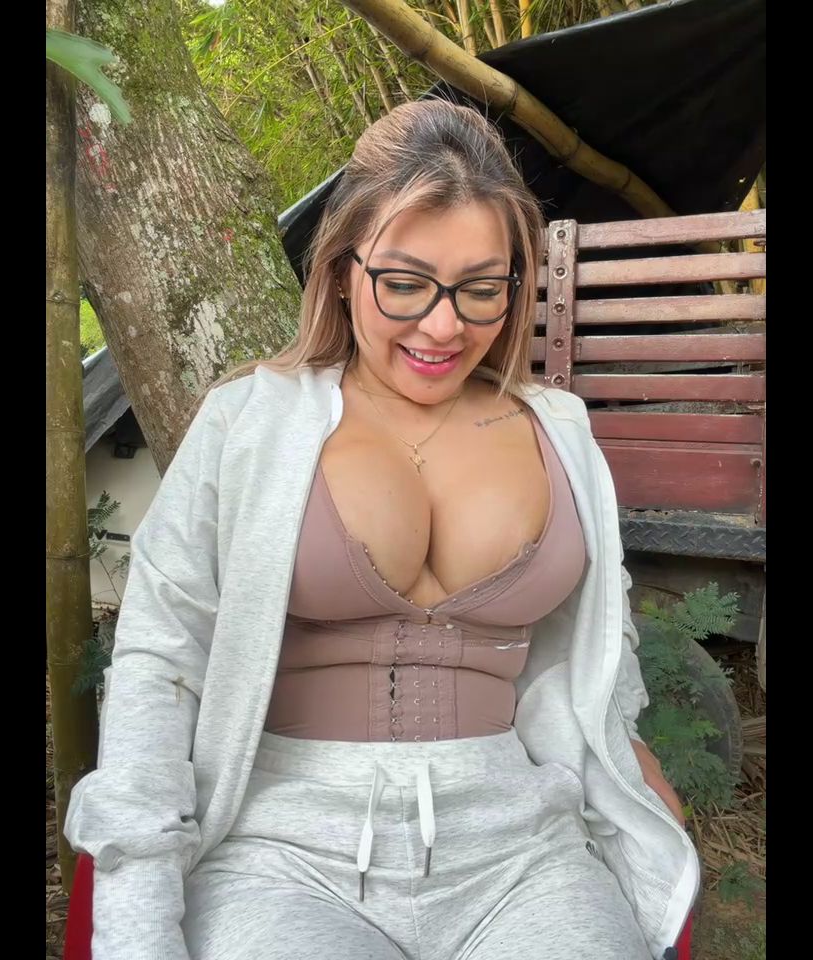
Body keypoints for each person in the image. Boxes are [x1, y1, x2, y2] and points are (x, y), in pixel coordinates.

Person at [66, 99, 699, 960]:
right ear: (341, 268)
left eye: (482, 288)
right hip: (281, 853)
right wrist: (138, 916)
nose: (445, 325)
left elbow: (592, 647)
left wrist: (628, 764)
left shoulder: (562, 431)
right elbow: (161, 660)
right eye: (405, 282)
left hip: (524, 848)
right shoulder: (248, 422)